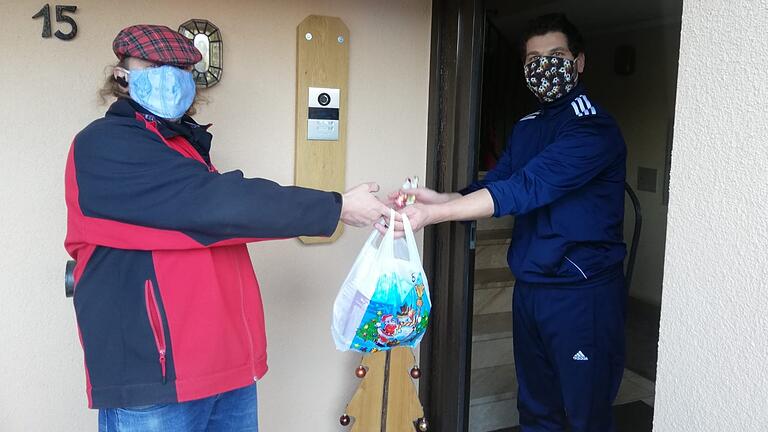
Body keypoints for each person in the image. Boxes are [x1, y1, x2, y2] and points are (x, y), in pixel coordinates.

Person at [65, 24, 390, 432]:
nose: (170, 75)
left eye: (181, 67)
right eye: (153, 64)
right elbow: (218, 205)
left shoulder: (181, 145)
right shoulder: (104, 145)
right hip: (158, 382)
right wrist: (337, 206)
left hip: (225, 371)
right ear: (121, 74)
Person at [393, 13, 627, 432]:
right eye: (534, 58)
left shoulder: (593, 128)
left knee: (585, 415)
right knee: (536, 409)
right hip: (532, 288)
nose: (544, 65)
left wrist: (435, 215)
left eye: (556, 55)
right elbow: (502, 180)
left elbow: (527, 188)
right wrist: (441, 197)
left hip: (581, 293)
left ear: (579, 62)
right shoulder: (528, 126)